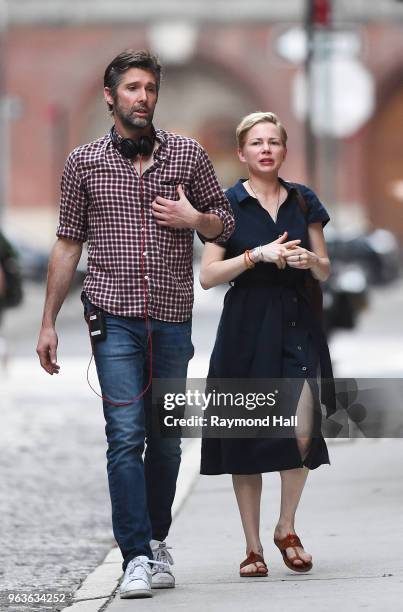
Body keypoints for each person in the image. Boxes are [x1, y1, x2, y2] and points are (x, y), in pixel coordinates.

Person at [36, 49, 234, 599]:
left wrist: (196, 219)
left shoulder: (188, 156)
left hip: (172, 317)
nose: (142, 97)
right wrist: (48, 322)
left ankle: (157, 539)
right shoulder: (83, 162)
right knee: (125, 436)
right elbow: (68, 242)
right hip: (112, 316)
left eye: (149, 88)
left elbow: (226, 220)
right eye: (132, 88)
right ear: (111, 96)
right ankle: (136, 556)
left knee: (166, 440)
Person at [199, 111, 335, 577]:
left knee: (300, 428)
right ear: (242, 153)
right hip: (245, 325)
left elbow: (324, 268)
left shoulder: (303, 199)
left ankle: (286, 526)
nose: (265, 149)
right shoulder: (226, 203)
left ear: (283, 150)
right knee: (247, 435)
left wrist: (305, 258)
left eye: (273, 141)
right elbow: (208, 275)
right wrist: (255, 255)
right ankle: (252, 547)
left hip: (297, 320)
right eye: (256, 142)